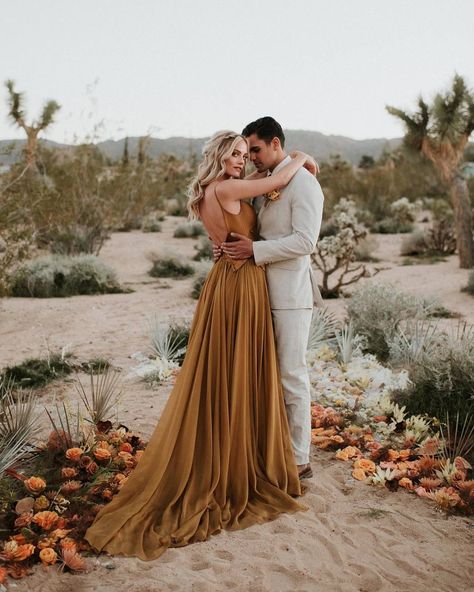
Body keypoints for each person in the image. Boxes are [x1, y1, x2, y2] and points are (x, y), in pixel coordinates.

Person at [84, 130, 314, 561]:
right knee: (236, 369)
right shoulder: (227, 187)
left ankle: (235, 447)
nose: (241, 160)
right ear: (219, 156)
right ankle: (240, 459)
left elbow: (235, 223)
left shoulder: (208, 192)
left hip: (226, 282)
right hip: (241, 284)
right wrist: (300, 156)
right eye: (235, 153)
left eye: (246, 153)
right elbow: (271, 184)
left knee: (226, 370)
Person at [219, 117, 324, 480]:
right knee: (266, 377)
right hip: (259, 295)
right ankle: (271, 450)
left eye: (256, 150)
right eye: (247, 152)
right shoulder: (266, 184)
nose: (251, 159)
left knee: (292, 375)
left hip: (291, 296)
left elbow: (305, 242)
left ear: (276, 144)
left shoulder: (304, 184)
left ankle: (299, 459)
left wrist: (254, 249)